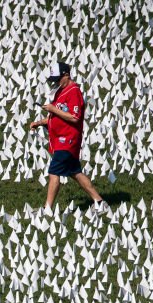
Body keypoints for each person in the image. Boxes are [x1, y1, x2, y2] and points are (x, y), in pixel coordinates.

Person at [29, 61, 107, 214]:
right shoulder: (60, 91)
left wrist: (52, 109)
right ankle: (99, 202)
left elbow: (75, 117)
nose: (56, 82)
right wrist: (39, 123)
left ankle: (47, 209)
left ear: (66, 75)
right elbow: (56, 117)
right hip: (60, 140)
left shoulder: (74, 91)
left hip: (68, 140)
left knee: (54, 172)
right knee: (75, 173)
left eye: (58, 79)